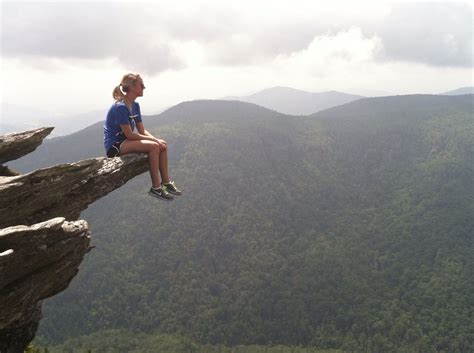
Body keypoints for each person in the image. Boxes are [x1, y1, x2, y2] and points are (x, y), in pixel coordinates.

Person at [103, 73, 182, 201]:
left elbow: (142, 130)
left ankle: (166, 183)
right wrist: (154, 141)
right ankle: (156, 188)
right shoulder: (120, 107)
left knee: (163, 144)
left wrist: (156, 139)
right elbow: (129, 134)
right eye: (141, 85)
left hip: (126, 140)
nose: (144, 87)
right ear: (133, 87)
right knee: (154, 147)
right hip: (115, 145)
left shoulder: (135, 105)